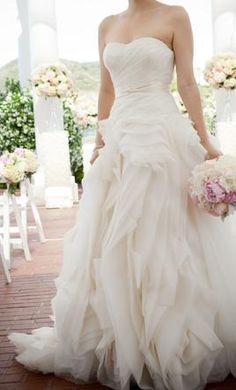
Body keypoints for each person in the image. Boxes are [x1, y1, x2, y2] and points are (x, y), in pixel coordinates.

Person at [8, 1, 236, 390]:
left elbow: (186, 83)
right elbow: (106, 88)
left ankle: (167, 335)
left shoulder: (175, 16)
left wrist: (204, 140)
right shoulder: (107, 24)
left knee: (164, 232)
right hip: (121, 140)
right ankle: (122, 337)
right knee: (114, 235)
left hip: (162, 135)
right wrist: (99, 142)